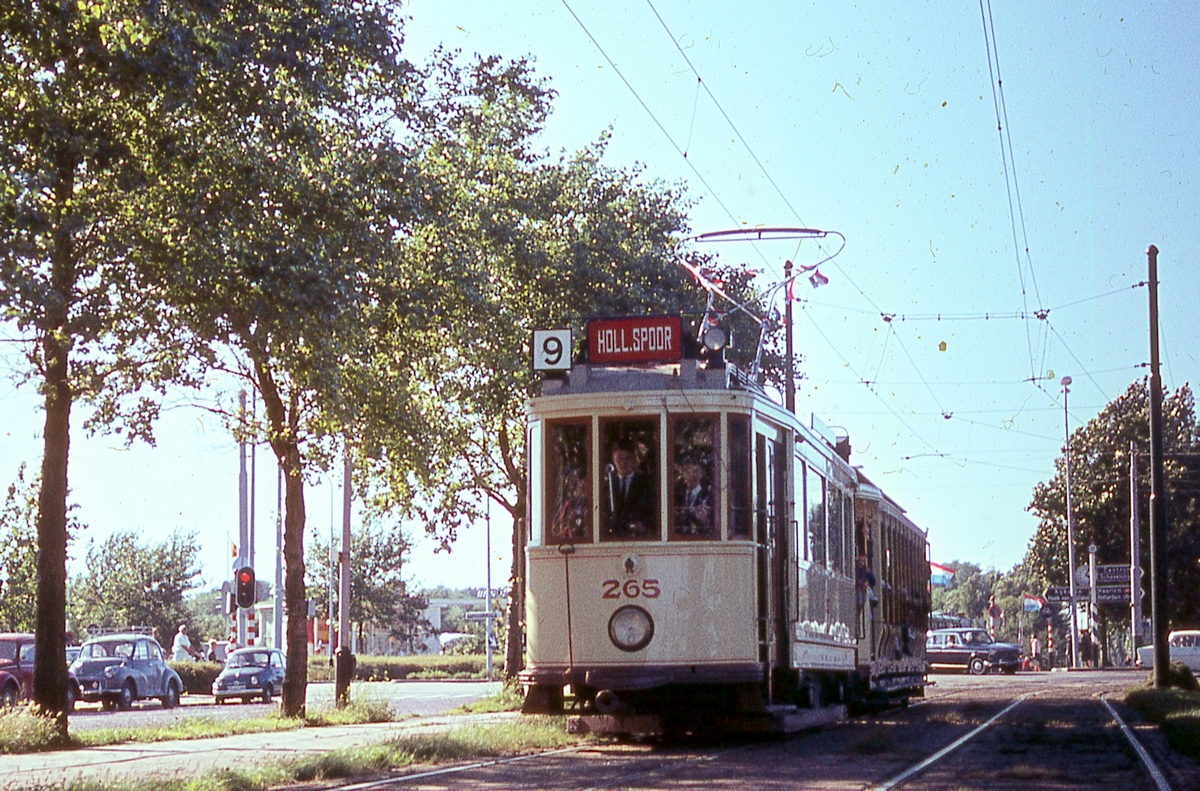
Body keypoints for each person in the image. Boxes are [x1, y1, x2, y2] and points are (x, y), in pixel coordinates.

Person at [603, 438, 655, 538]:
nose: (623, 463)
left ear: (635, 459)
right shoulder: (606, 485)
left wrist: (644, 526)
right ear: (613, 459)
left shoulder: (647, 483)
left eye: (627, 458)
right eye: (619, 459)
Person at [673, 453, 713, 535]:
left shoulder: (708, 496)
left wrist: (705, 522)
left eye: (695, 471)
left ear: (701, 474)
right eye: (687, 472)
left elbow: (712, 529)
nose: (691, 476)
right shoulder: (677, 496)